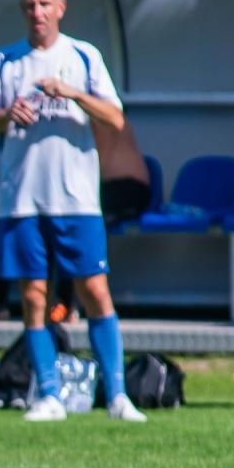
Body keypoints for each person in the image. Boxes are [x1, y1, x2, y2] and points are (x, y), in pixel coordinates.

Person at [0, 0, 145, 423]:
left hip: (75, 199)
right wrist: (4, 114)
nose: (37, 12)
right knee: (33, 295)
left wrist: (72, 93)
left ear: (61, 7)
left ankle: (117, 395)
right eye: (29, 4)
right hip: (22, 200)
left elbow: (114, 117)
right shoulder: (5, 61)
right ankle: (49, 395)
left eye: (44, 4)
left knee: (94, 288)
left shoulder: (83, 57)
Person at [48, 120, 153, 322]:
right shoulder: (97, 111)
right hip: (126, 189)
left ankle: (65, 302)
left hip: (124, 189)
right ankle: (65, 301)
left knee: (69, 224)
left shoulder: (93, 116)